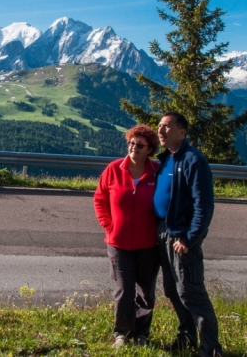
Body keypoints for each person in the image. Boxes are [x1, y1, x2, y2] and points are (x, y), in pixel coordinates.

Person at [154, 112, 223, 357]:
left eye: (166, 126)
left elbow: (203, 205)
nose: (160, 130)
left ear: (182, 133)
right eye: (159, 125)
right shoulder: (166, 159)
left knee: (191, 292)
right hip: (163, 233)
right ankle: (187, 337)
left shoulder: (193, 160)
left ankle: (210, 349)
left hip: (180, 238)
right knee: (172, 290)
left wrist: (191, 238)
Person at [93, 125, 161, 349]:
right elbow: (100, 199)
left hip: (148, 244)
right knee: (124, 290)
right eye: (131, 142)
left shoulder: (156, 172)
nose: (133, 147)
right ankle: (121, 332)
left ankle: (142, 333)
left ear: (149, 148)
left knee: (145, 292)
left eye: (139, 145)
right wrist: (108, 225)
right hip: (118, 243)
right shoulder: (114, 169)